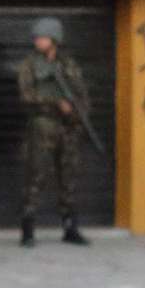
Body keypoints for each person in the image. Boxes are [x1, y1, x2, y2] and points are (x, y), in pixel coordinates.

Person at [16, 17, 91, 248]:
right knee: (35, 176)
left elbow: (81, 93)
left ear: (54, 39)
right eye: (37, 38)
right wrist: (55, 101)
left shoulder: (68, 64)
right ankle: (28, 231)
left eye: (42, 37)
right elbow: (26, 95)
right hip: (43, 125)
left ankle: (70, 228)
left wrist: (78, 114)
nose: (37, 41)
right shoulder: (29, 64)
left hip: (68, 128)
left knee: (69, 177)